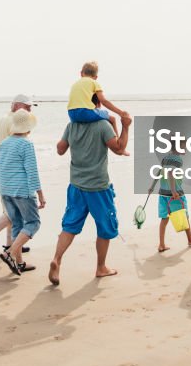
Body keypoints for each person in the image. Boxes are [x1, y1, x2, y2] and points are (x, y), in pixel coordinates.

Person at [48, 111, 132, 285]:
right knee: (105, 228)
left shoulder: (72, 126)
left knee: (69, 226)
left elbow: (60, 150)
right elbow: (119, 149)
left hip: (76, 186)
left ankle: (57, 259)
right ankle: (101, 267)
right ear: (96, 105)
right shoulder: (102, 125)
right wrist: (125, 126)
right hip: (98, 188)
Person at [0, 94, 34, 260]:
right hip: (12, 173)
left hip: (2, 170)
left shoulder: (3, 119)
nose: (30, 111)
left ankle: (12, 245)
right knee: (13, 212)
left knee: (12, 210)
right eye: (28, 107)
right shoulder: (16, 123)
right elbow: (20, 150)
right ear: (17, 106)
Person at [0, 110, 45, 276]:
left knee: (17, 224)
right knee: (33, 223)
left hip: (5, 190)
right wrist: (40, 195)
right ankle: (9, 253)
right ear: (28, 128)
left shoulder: (4, 143)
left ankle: (20, 262)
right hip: (22, 191)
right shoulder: (26, 144)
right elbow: (32, 171)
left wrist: (1, 188)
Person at [157, 142, 191, 252]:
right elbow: (170, 173)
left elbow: (160, 172)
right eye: (184, 146)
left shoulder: (165, 158)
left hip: (163, 193)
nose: (186, 148)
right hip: (175, 193)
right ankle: (190, 239)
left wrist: (151, 187)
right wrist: (173, 191)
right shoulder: (177, 160)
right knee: (184, 215)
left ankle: (161, 244)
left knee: (164, 218)